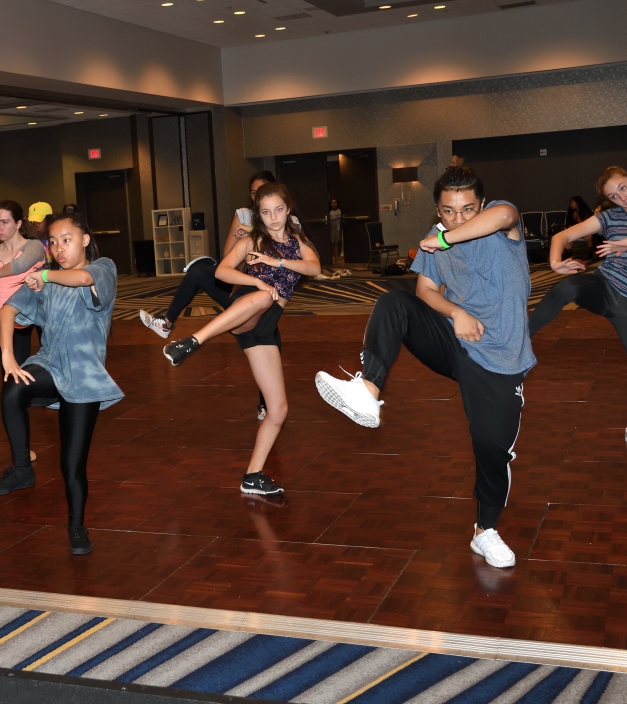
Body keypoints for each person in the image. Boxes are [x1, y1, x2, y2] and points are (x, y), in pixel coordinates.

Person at [314, 166, 534, 569]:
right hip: (456, 341)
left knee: (491, 449)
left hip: (501, 360)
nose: (457, 219)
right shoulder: (437, 239)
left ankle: (485, 531)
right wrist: (456, 312)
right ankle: (368, 390)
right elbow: (425, 290)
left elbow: (504, 216)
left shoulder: (500, 223)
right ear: (438, 209)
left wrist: (444, 239)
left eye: (467, 209)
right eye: (448, 211)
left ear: (482, 204)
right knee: (394, 303)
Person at [161, 184, 321, 496]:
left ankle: (253, 476)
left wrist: (276, 263)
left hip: (266, 328)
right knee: (264, 296)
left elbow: (314, 268)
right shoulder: (252, 240)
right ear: (258, 215)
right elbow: (221, 272)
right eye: (266, 212)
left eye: (278, 210)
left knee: (278, 409)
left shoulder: (298, 241)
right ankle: (190, 342)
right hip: (247, 306)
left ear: (288, 210)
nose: (273, 217)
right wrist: (256, 280)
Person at [0, 212, 122, 555]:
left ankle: (76, 526)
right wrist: (8, 357)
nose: (59, 248)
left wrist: (44, 274)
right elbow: (8, 310)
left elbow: (81, 279)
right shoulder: (45, 281)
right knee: (13, 389)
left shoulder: (102, 268)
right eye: (53, 242)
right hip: (49, 364)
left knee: (71, 465)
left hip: (84, 376)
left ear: (85, 240)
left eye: (67, 240)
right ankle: (22, 469)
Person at [530, 167, 627, 450]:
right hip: (606, 286)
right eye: (613, 196)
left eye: (623, 188)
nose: (622, 197)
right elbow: (561, 237)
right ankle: (517, 342)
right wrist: (555, 263)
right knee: (567, 288)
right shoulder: (609, 217)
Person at [138, 171, 281, 420]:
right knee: (198, 271)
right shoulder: (242, 215)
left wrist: (253, 233)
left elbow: (291, 251)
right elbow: (227, 259)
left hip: (268, 295)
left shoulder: (282, 216)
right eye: (253, 192)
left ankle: (265, 404)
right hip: (241, 287)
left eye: (262, 190)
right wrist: (242, 242)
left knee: (265, 340)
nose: (258, 196)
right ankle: (167, 323)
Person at [0, 200, 46, 365]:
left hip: (31, 311)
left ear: (18, 223)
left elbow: (20, 265)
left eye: (5, 222)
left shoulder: (34, 246)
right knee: (10, 368)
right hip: (2, 315)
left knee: (47, 360)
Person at [327, 198, 343, 263]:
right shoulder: (329, 212)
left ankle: (336, 259)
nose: (334, 204)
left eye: (335, 202)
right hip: (331, 229)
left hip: (337, 229)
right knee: (330, 244)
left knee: (336, 244)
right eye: (332, 203)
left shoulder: (339, 211)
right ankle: (331, 260)